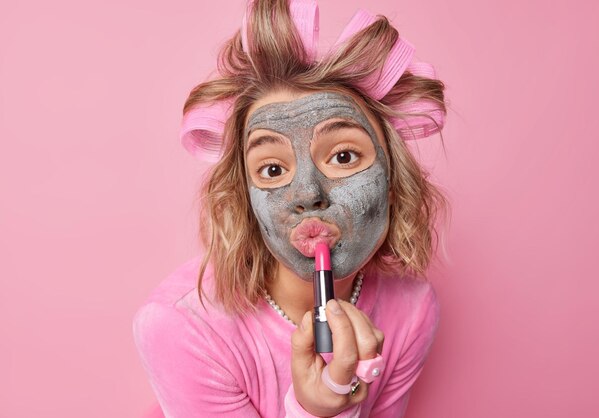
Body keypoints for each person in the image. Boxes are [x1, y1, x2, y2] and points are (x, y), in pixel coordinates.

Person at [133, 0, 449, 416]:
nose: (307, 193)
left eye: (343, 157)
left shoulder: (412, 309)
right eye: (272, 167)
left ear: (392, 182)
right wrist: (315, 410)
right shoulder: (180, 326)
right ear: (247, 200)